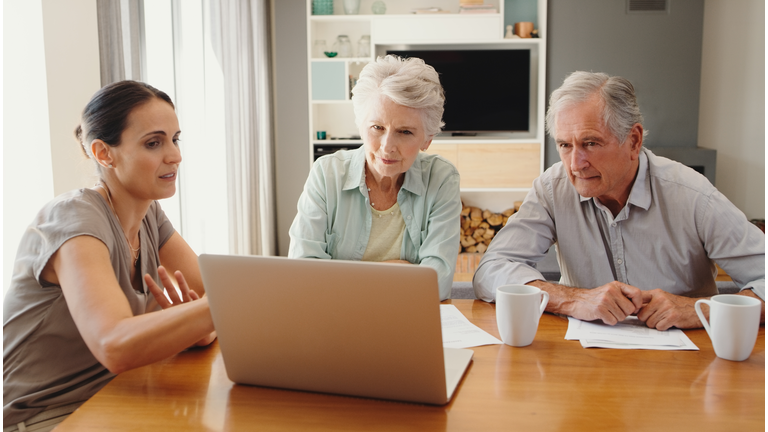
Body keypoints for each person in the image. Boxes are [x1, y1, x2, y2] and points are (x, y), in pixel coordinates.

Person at [474, 71, 765, 330]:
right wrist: (573, 299)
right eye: (565, 145)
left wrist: (698, 310)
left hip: (685, 368)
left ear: (634, 141)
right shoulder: (553, 189)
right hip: (583, 365)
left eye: (590, 143)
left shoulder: (692, 195)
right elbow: (492, 269)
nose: (576, 164)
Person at [3, 81, 216, 430]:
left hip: (116, 397)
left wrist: (199, 325)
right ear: (104, 153)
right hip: (51, 416)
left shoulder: (149, 216)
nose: (175, 155)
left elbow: (207, 296)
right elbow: (113, 344)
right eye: (154, 142)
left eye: (175, 139)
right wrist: (215, 310)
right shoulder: (73, 218)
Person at [288, 55, 461, 300]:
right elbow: (303, 274)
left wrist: (343, 280)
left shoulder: (442, 178)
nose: (387, 146)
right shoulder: (326, 174)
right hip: (334, 319)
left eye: (405, 132)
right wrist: (392, 271)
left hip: (406, 318)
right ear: (361, 126)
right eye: (377, 128)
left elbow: (438, 283)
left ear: (427, 139)